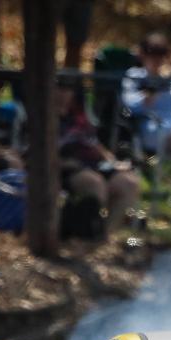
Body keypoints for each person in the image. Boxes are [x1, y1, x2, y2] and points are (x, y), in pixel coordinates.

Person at [56, 83, 141, 240]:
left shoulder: (79, 115)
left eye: (67, 88)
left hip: (94, 165)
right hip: (67, 168)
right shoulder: (43, 119)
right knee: (95, 183)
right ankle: (87, 237)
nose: (63, 94)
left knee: (129, 183)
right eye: (59, 88)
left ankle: (104, 237)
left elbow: (94, 144)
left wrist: (113, 162)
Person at [122, 32, 171, 155]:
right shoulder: (135, 76)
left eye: (162, 52)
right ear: (142, 53)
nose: (158, 57)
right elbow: (131, 106)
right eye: (152, 51)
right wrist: (158, 87)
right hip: (159, 130)